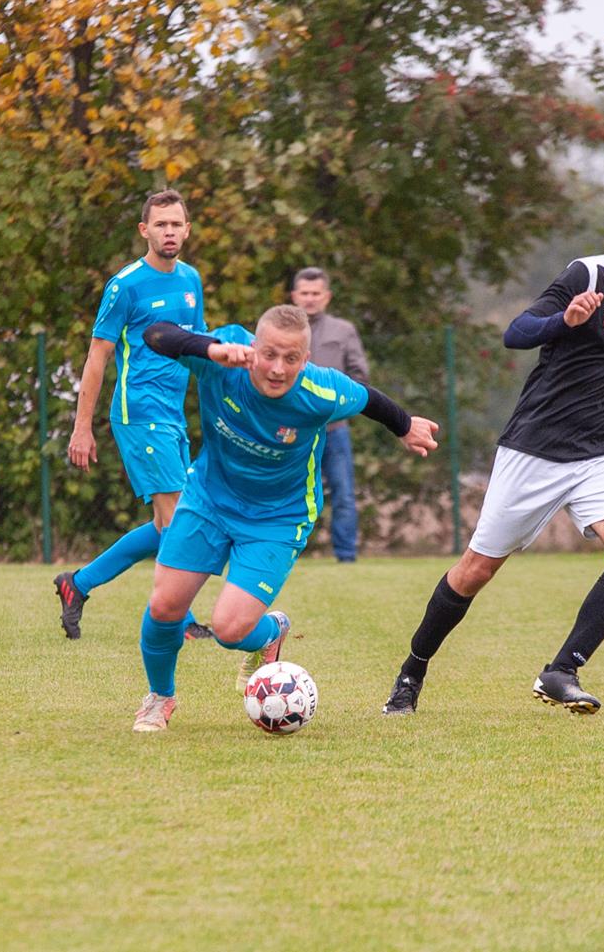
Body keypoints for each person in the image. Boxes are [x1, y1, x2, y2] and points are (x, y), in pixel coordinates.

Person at [381, 178, 604, 717]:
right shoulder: (588, 274)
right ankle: (412, 671)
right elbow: (516, 332)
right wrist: (565, 321)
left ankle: (562, 671)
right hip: (535, 449)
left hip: (600, 456)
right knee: (475, 571)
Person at [131, 306, 439, 732]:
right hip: (209, 501)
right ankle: (159, 698)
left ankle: (271, 631)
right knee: (165, 605)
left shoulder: (320, 390)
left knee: (229, 629)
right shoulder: (222, 359)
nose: (278, 368)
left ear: (306, 358)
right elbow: (155, 334)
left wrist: (405, 426)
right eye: (269, 354)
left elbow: (368, 398)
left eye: (291, 359)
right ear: (254, 347)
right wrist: (211, 348)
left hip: (278, 519)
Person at [55, 189, 209, 641]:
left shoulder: (191, 280)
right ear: (145, 230)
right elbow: (97, 357)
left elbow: (196, 347)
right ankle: (178, 621)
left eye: (176, 224)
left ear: (187, 229)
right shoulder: (125, 285)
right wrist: (82, 428)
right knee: (179, 521)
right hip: (139, 413)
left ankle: (76, 584)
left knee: (169, 524)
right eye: (160, 224)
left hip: (174, 415)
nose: (169, 232)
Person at [290, 267, 370, 562]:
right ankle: (287, 551)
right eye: (305, 293)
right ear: (294, 296)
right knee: (288, 493)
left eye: (316, 294)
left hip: (335, 429)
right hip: (292, 432)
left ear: (327, 296)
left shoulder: (343, 330)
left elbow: (360, 377)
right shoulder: (283, 330)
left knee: (344, 494)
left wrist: (338, 404)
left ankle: (346, 557)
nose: (310, 299)